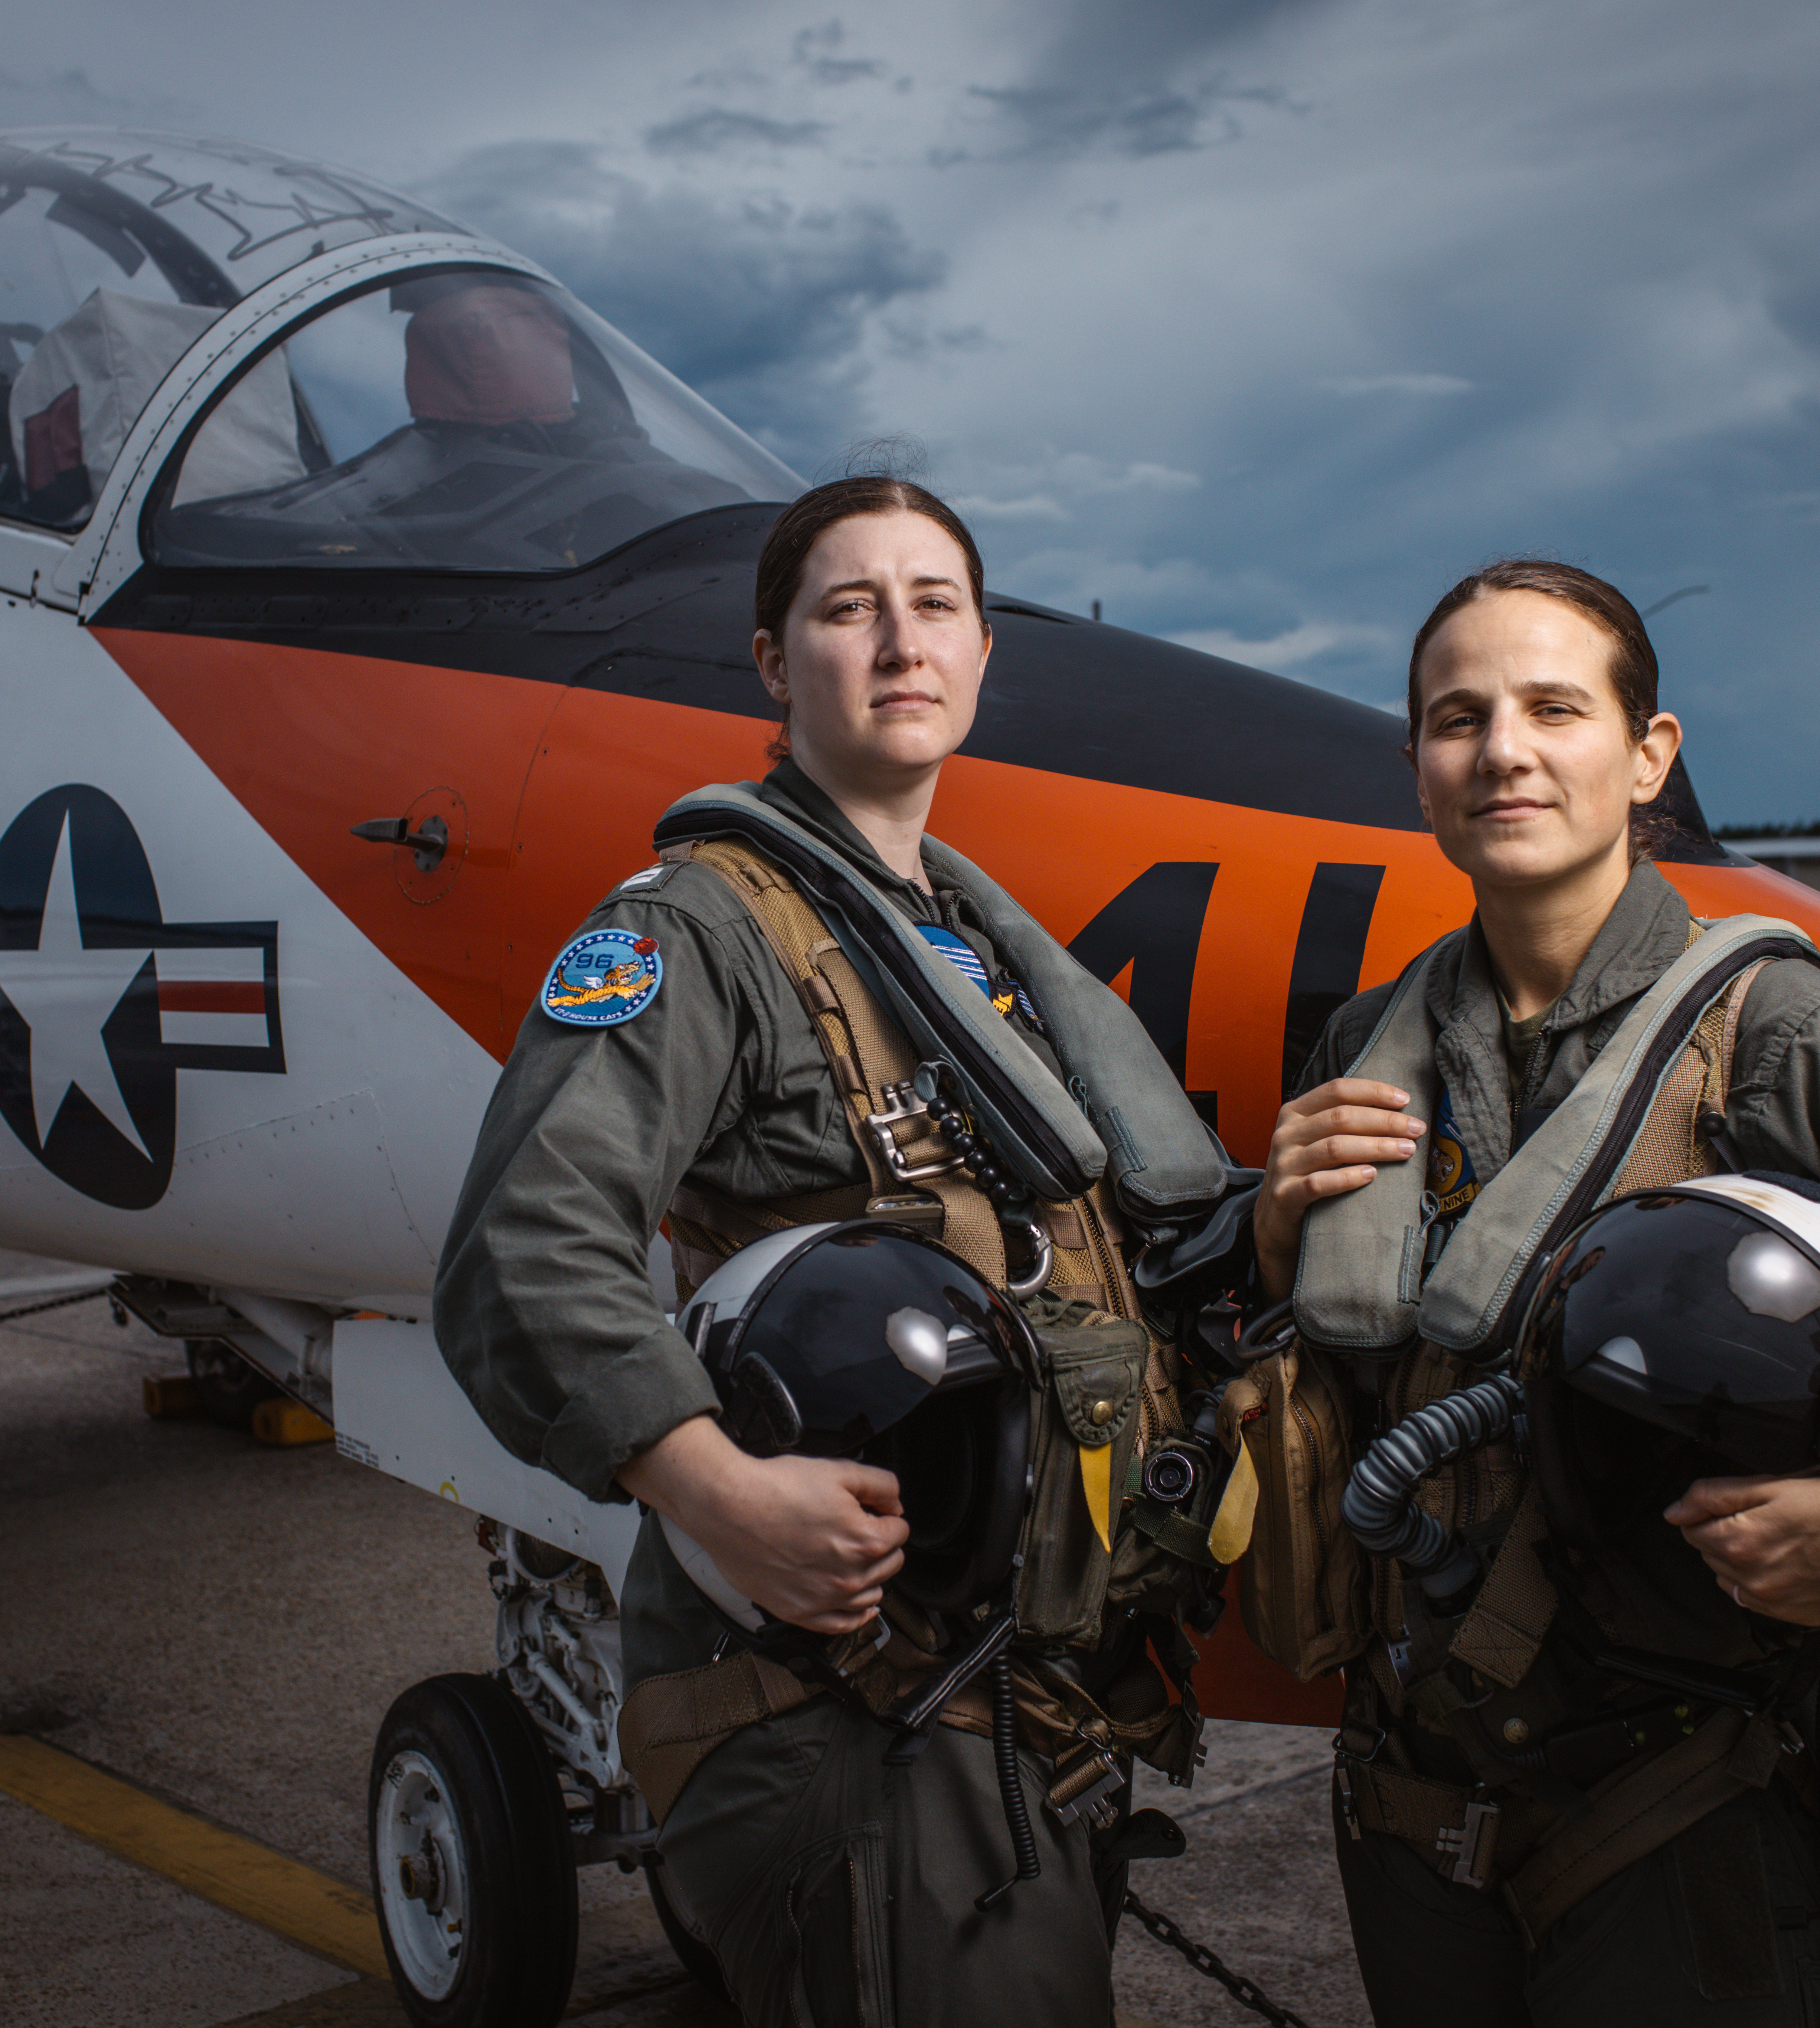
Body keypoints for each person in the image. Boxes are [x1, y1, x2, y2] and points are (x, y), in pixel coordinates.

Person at [1248, 559, 1820, 2026]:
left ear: (1645, 756)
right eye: (1455, 718)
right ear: (1416, 767)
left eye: (1553, 707)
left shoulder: (1772, 1034)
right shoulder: (1370, 1043)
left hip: (1672, 1808)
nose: (1502, 752)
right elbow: (1322, 1384)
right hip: (1410, 1807)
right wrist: (1277, 1241)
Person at [435, 475, 1242, 2026]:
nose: (897, 642)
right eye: (846, 606)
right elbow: (520, 1250)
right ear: (769, 660)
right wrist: (710, 1490)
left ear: (983, 653)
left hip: (1008, 1698)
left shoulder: (968, 948)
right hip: (845, 1701)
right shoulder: (697, 932)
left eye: (932, 605)